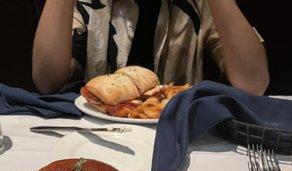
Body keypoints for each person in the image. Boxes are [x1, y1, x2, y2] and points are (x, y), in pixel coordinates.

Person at [33, 0, 269, 95]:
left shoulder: (199, 4)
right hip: (100, 136)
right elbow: (47, 79)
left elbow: (254, 82)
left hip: (181, 138)